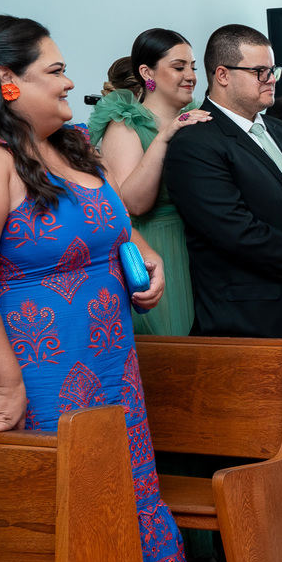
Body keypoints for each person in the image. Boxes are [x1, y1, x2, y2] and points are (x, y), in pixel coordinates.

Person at [0, 14, 195, 562]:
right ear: (5, 82)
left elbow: (114, 226)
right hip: (42, 373)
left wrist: (145, 259)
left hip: (111, 361)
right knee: (77, 501)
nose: (72, 82)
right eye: (55, 71)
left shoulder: (69, 143)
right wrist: (7, 385)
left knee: (129, 485)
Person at [164, 24, 282, 340]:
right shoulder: (195, 143)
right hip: (250, 318)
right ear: (222, 75)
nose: (272, 79)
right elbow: (235, 230)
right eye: (260, 72)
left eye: (272, 69)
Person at [88, 29, 211, 337]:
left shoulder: (199, 119)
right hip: (159, 246)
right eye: (179, 67)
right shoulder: (125, 124)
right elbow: (133, 204)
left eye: (193, 67)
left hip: (202, 248)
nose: (191, 76)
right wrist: (166, 136)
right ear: (147, 72)